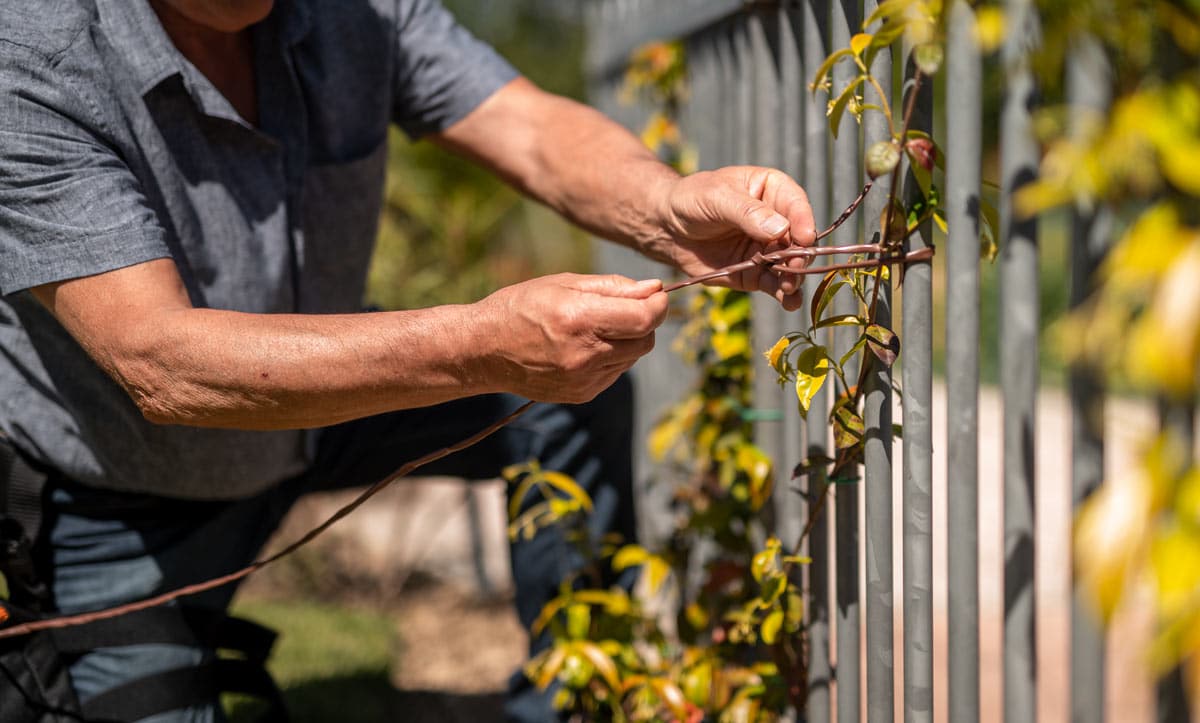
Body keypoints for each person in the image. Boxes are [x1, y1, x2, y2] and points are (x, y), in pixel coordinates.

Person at [0, 0, 817, 720]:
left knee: (584, 382)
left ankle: (571, 700)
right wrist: (482, 345)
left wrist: (665, 207)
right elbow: (162, 362)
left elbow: (528, 128)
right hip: (114, 501)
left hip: (318, 415)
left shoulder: (361, 12)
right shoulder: (29, 53)